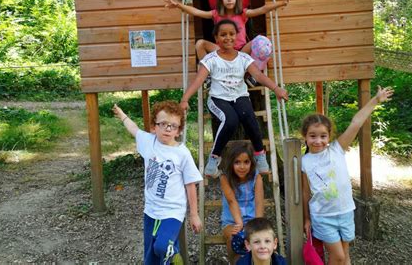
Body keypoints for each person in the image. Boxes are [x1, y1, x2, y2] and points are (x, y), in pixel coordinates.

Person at [179, 19, 288, 177]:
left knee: (249, 117)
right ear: (216, 39)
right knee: (231, 120)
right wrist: (184, 99)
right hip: (218, 98)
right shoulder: (211, 59)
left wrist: (276, 88)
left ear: (237, 37)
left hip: (240, 96)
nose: (228, 37)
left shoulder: (243, 58)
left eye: (231, 34)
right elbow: (198, 80)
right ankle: (213, 160)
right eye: (223, 35)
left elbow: (257, 74)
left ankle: (260, 155)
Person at [301, 86, 394, 265]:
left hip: (345, 212)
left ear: (329, 136)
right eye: (313, 136)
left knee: (346, 257)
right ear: (305, 136)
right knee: (339, 257)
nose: (318, 141)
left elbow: (356, 123)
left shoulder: (337, 149)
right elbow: (305, 193)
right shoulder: (304, 162)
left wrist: (375, 100)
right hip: (322, 216)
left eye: (323, 136)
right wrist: (306, 218)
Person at [112, 100, 203, 265]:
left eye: (173, 126)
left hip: (173, 212)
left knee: (162, 247)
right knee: (150, 256)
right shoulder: (149, 142)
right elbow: (133, 129)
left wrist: (194, 214)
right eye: (163, 124)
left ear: (178, 130)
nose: (168, 129)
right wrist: (122, 115)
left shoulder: (182, 153)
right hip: (151, 210)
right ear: (154, 127)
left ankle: (175, 257)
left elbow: (190, 184)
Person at [165, 0, 291, 60]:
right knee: (200, 44)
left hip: (241, 52)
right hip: (222, 50)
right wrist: (179, 5)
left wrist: (281, 3)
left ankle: (253, 74)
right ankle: (208, 74)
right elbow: (197, 12)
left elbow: (262, 9)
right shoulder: (216, 14)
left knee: (261, 41)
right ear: (221, 0)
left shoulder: (243, 13)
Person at [220, 142, 264, 264]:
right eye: (237, 162)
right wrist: (239, 223)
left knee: (259, 237)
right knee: (233, 237)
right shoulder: (225, 178)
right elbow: (231, 201)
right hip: (232, 221)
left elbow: (259, 202)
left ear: (252, 162)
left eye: (246, 162)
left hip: (252, 220)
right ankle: (235, 262)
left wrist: (258, 224)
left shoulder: (257, 178)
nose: (242, 166)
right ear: (231, 163)